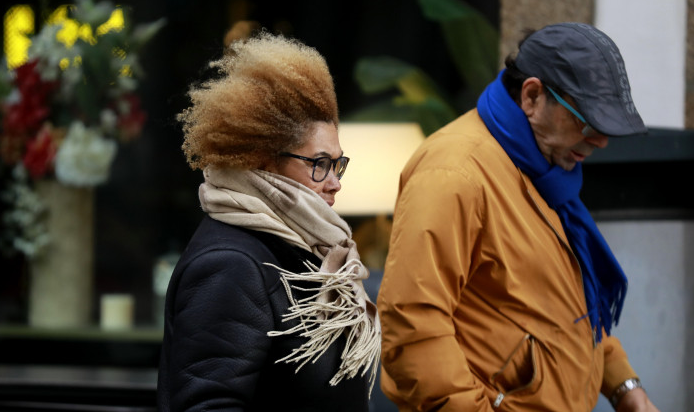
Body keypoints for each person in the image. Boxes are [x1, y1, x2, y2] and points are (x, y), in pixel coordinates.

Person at [376, 22, 661, 411]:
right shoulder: (453, 173)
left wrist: (624, 385)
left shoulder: (544, 169)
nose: (600, 141)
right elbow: (412, 325)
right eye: (588, 121)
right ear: (532, 96)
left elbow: (570, 306)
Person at [157, 31, 380, 412]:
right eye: (319, 164)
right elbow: (207, 405)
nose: (335, 182)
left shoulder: (307, 243)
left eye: (338, 163)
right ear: (263, 160)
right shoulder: (230, 264)